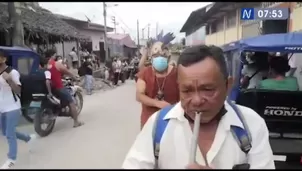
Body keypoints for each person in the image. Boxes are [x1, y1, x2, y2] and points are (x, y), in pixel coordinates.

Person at [122, 45, 275, 169]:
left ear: (227, 85)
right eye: (187, 91)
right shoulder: (158, 126)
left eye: (208, 89)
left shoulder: (251, 125)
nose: (196, 101)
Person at [0, 50, 36, 169]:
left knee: (10, 134)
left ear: (4, 59)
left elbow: (19, 91)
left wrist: (9, 80)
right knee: (5, 132)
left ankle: (12, 159)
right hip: (1, 107)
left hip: (13, 107)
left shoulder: (12, 72)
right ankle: (28, 138)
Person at [136, 41, 179, 129]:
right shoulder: (145, 73)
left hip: (172, 122)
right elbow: (139, 96)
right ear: (151, 58)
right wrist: (157, 103)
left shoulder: (177, 73)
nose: (160, 58)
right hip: (149, 121)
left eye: (163, 56)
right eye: (156, 56)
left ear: (168, 57)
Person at [46, 49, 84, 128]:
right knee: (71, 102)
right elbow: (67, 72)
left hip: (49, 88)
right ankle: (76, 122)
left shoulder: (44, 64)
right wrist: (74, 77)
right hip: (58, 87)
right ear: (53, 55)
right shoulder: (56, 64)